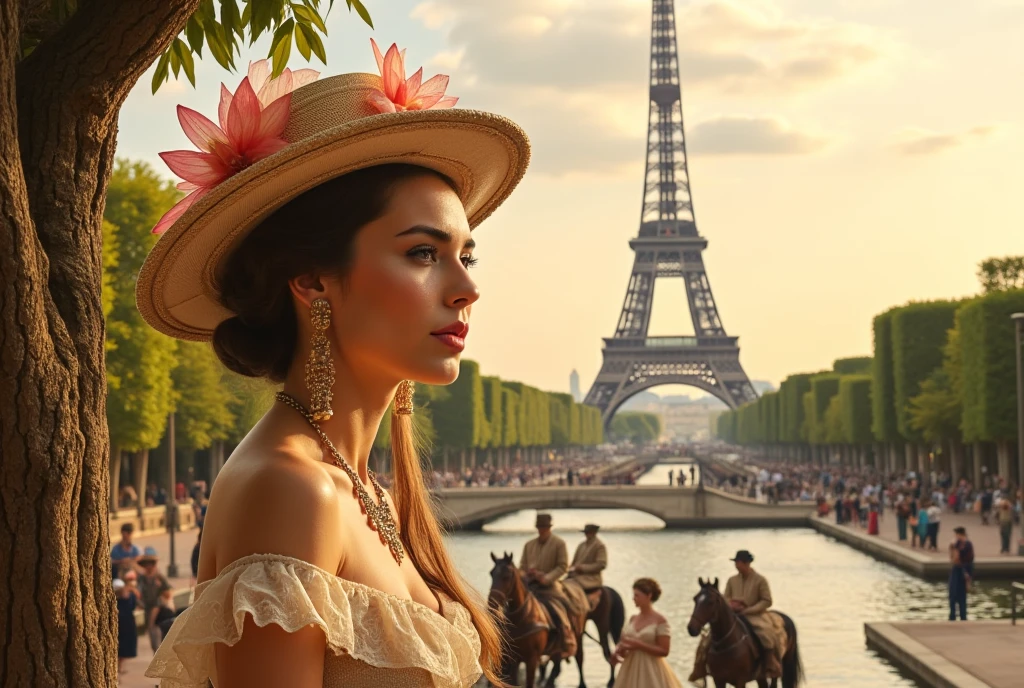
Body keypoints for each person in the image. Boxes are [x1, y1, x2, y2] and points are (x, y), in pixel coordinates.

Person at [141, 42, 529, 687]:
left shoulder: (358, 485)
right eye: (423, 254)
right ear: (313, 281)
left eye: (468, 254)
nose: (467, 288)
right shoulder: (293, 490)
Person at [715, 550, 787, 679]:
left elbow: (767, 600)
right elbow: (726, 597)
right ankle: (704, 664)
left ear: (746, 563)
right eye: (736, 563)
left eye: (738, 562)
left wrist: (749, 609)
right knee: (712, 636)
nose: (736, 565)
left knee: (765, 633)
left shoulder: (760, 580)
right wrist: (731, 604)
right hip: (734, 614)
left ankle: (770, 662)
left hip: (755, 614)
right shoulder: (732, 580)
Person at [520, 513, 584, 657]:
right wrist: (527, 574)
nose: (541, 530)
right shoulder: (529, 545)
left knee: (560, 608)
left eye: (544, 527)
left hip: (550, 587)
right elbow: (522, 566)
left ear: (549, 527)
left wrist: (546, 578)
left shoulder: (559, 543)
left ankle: (565, 638)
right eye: (539, 527)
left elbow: (562, 566)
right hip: (530, 586)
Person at [611, 578, 682, 688]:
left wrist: (638, 645)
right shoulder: (633, 619)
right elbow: (624, 643)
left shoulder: (660, 620)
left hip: (652, 670)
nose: (633, 599)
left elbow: (664, 651)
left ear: (648, 596)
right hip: (630, 668)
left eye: (637, 595)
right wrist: (619, 651)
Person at [566, 523, 608, 610]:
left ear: (594, 533)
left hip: (590, 579)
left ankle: (580, 608)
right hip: (576, 575)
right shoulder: (581, 545)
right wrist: (569, 568)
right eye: (586, 532)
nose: (587, 534)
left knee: (573, 587)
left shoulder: (599, 546)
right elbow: (574, 562)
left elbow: (601, 564)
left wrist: (581, 568)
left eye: (589, 532)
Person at [137, 546, 170, 653]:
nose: (149, 566)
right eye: (147, 564)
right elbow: (139, 593)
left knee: (158, 636)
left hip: (159, 612)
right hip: (147, 608)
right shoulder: (141, 578)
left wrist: (160, 588)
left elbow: (168, 593)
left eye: (151, 563)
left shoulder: (159, 577)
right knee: (153, 641)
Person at [115, 574, 140, 674]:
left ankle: (119, 667)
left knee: (123, 648)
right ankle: (118, 668)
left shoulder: (130, 595)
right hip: (122, 623)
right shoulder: (124, 596)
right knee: (120, 647)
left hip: (126, 623)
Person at [948, 526, 974, 621]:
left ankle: (962, 617)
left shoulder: (967, 545)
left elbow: (960, 558)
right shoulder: (957, 543)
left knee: (961, 597)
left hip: (962, 571)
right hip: (958, 570)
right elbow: (952, 557)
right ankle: (953, 616)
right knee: (953, 596)